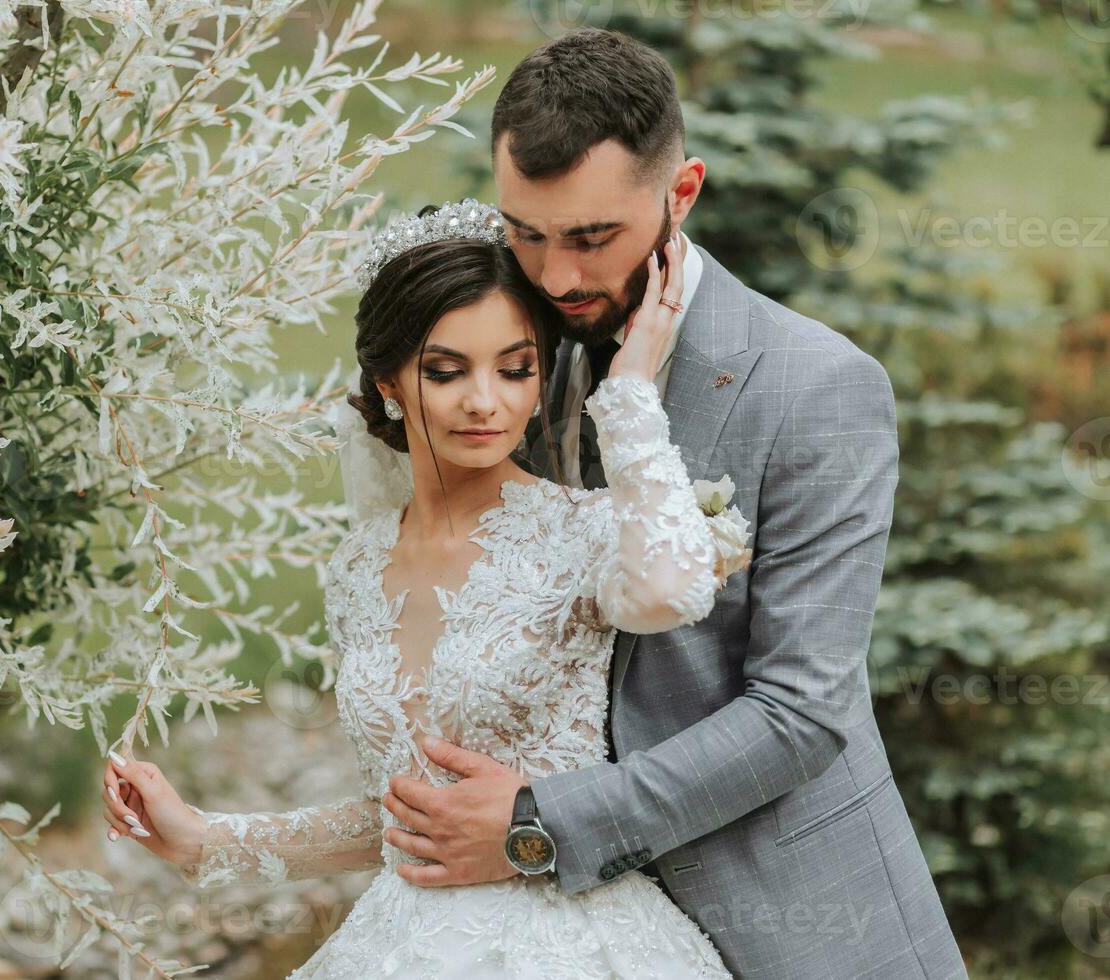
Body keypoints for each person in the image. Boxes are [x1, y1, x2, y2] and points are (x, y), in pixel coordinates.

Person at [374, 28, 968, 980]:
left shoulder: (817, 387)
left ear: (680, 192)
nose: (557, 276)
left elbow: (800, 712)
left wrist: (540, 826)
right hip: (552, 941)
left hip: (791, 924)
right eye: (525, 232)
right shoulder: (504, 357)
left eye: (592, 237)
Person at [101, 197, 750, 977]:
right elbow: (404, 818)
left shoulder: (586, 529)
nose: (487, 401)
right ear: (388, 384)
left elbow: (671, 594)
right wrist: (205, 840)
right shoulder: (356, 568)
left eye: (516, 368)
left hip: (568, 942)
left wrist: (633, 384)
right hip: (400, 942)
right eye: (447, 371)